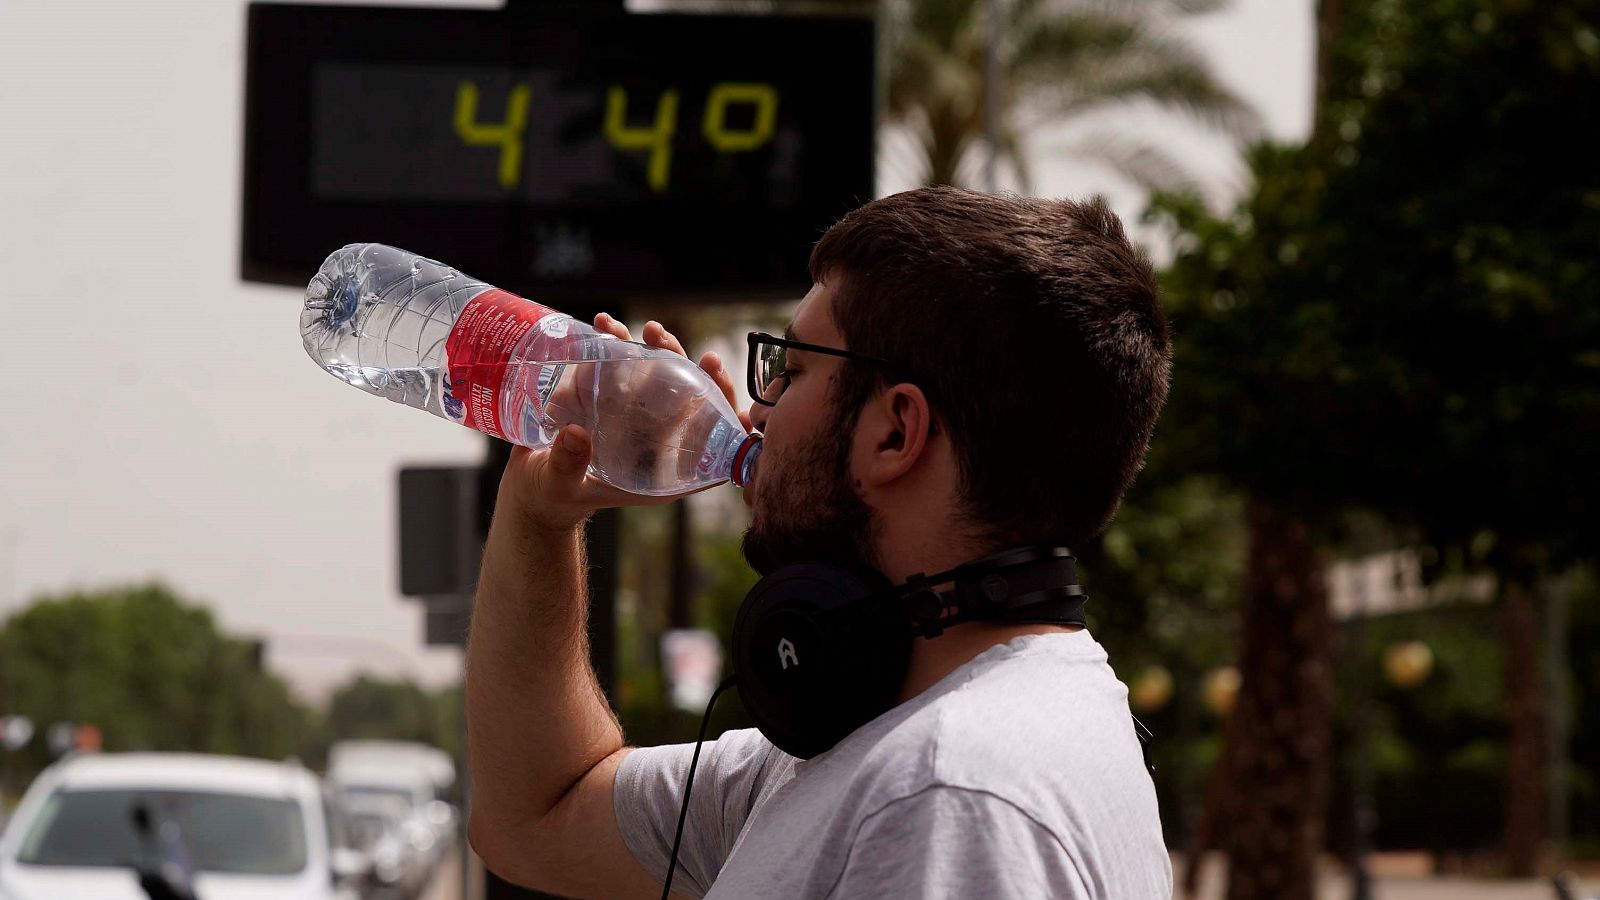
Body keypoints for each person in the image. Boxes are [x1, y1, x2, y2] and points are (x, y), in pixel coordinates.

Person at [465, 186, 1173, 898]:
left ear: (896, 431)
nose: (757, 409)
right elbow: (533, 818)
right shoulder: (912, 740)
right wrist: (539, 515)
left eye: (791, 369)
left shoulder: (943, 794)